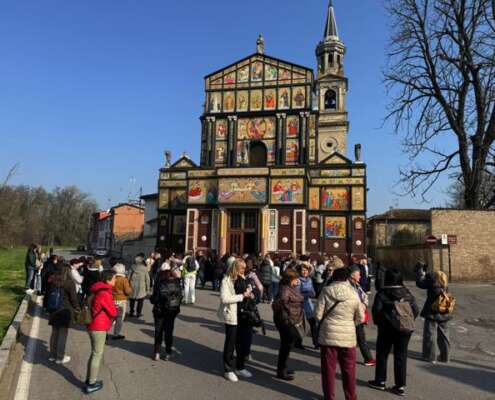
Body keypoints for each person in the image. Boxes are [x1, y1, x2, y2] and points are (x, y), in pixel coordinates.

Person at [315, 267, 364, 400]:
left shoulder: (326, 291)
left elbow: (318, 315)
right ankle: (351, 397)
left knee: (328, 370)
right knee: (349, 370)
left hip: (329, 335)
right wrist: (349, 323)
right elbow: (360, 318)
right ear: (347, 278)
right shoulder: (353, 293)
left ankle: (329, 397)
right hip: (348, 336)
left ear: (334, 277)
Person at [368, 268, 419, 396]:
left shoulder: (382, 293)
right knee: (401, 355)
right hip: (405, 329)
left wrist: (380, 323)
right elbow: (415, 310)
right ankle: (400, 386)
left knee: (382, 354)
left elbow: (376, 311)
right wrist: (407, 320)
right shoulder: (407, 293)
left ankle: (380, 381)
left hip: (387, 328)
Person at [218, 259, 254, 383]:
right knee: (230, 343)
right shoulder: (226, 280)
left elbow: (248, 291)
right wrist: (242, 296)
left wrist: (250, 293)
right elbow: (224, 299)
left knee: (242, 343)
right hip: (232, 315)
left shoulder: (243, 279)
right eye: (241, 268)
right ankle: (228, 369)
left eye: (244, 268)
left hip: (244, 314)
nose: (244, 270)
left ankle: (240, 367)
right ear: (235, 268)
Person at [85, 271, 118, 394]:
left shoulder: (97, 289)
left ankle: (89, 379)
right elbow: (113, 312)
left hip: (93, 324)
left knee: (94, 353)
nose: (115, 280)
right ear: (108, 280)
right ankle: (91, 383)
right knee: (97, 354)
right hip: (98, 326)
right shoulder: (104, 293)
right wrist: (115, 307)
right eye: (114, 278)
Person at [416, 263, 452, 363]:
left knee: (430, 335)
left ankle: (430, 357)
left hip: (432, 313)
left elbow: (420, 284)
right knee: (444, 336)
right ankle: (445, 357)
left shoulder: (432, 283)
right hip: (444, 312)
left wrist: (421, 274)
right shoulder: (444, 283)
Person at [273, 268, 304, 381]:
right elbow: (280, 305)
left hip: (291, 319)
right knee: (286, 345)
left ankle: (283, 368)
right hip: (286, 321)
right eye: (296, 279)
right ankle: (281, 371)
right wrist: (288, 315)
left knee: (288, 345)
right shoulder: (285, 290)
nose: (298, 281)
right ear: (291, 279)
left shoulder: (291, 288)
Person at [47, 264, 80, 364]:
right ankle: (60, 357)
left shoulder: (53, 281)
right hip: (65, 310)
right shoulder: (69, 283)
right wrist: (77, 308)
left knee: (54, 332)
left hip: (54, 309)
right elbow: (73, 299)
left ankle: (52, 355)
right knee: (63, 334)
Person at [150, 265, 182, 361]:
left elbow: (154, 298)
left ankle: (157, 353)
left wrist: (153, 300)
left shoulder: (160, 283)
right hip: (172, 311)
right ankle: (168, 353)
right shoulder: (177, 283)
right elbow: (180, 297)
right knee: (169, 332)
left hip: (159, 311)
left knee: (158, 331)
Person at [348, 264, 375, 366]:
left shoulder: (357, 285)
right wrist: (360, 305)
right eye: (358, 274)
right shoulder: (348, 286)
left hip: (358, 316)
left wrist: (364, 304)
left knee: (360, 337)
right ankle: (368, 358)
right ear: (352, 275)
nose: (360, 276)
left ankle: (368, 358)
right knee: (359, 338)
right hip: (352, 316)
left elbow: (364, 297)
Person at [296, 262, 318, 348]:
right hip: (299, 305)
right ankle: (298, 343)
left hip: (308, 305)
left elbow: (313, 291)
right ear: (299, 271)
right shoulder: (298, 280)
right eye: (303, 270)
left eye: (306, 270)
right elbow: (296, 294)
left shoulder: (310, 280)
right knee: (300, 324)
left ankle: (316, 342)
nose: (305, 272)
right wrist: (307, 294)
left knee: (313, 324)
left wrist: (313, 293)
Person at [111, 263, 132, 340]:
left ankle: (105, 332)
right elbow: (127, 291)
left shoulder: (112, 278)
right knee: (119, 317)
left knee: (111, 316)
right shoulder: (124, 279)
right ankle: (116, 333)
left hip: (112, 299)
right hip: (121, 299)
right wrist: (131, 289)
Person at [128, 253, 150, 318]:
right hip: (141, 286)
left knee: (132, 299)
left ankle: (131, 312)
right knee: (140, 300)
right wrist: (147, 288)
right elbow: (147, 279)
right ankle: (138, 313)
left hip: (132, 285)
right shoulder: (144, 268)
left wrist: (128, 284)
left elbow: (128, 277)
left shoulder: (132, 267)